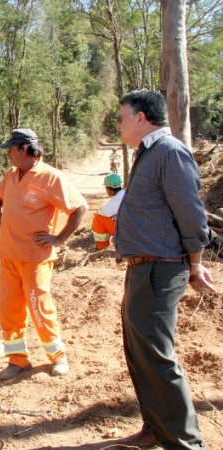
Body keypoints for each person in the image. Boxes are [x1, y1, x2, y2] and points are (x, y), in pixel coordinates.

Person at [110, 89, 217, 449]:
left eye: (122, 116)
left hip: (159, 270)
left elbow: (190, 213)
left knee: (156, 356)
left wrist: (195, 263)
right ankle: (156, 428)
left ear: (141, 118)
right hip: (143, 270)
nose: (119, 123)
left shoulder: (170, 152)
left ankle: (186, 443)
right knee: (139, 354)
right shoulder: (149, 153)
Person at [0, 129, 88, 379]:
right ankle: (17, 361)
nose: (8, 155)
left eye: (11, 150)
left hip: (36, 258)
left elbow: (79, 207)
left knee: (39, 307)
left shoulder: (51, 177)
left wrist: (59, 238)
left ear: (24, 149)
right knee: (9, 311)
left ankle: (58, 358)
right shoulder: (11, 175)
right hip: (8, 255)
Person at [91, 173, 124, 250]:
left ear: (108, 188)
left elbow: (103, 212)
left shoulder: (117, 199)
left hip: (126, 232)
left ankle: (103, 247)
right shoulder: (125, 194)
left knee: (98, 219)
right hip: (134, 230)